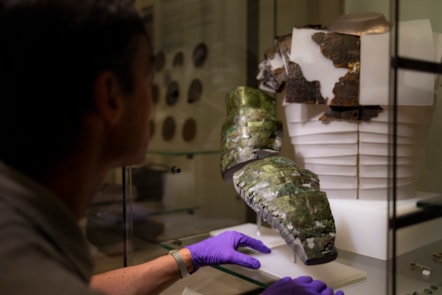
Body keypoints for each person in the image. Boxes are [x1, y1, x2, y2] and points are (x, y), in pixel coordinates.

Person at [0, 1, 344, 294]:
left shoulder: (21, 227)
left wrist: (185, 257)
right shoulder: (20, 262)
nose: (154, 104)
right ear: (110, 97)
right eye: (149, 82)